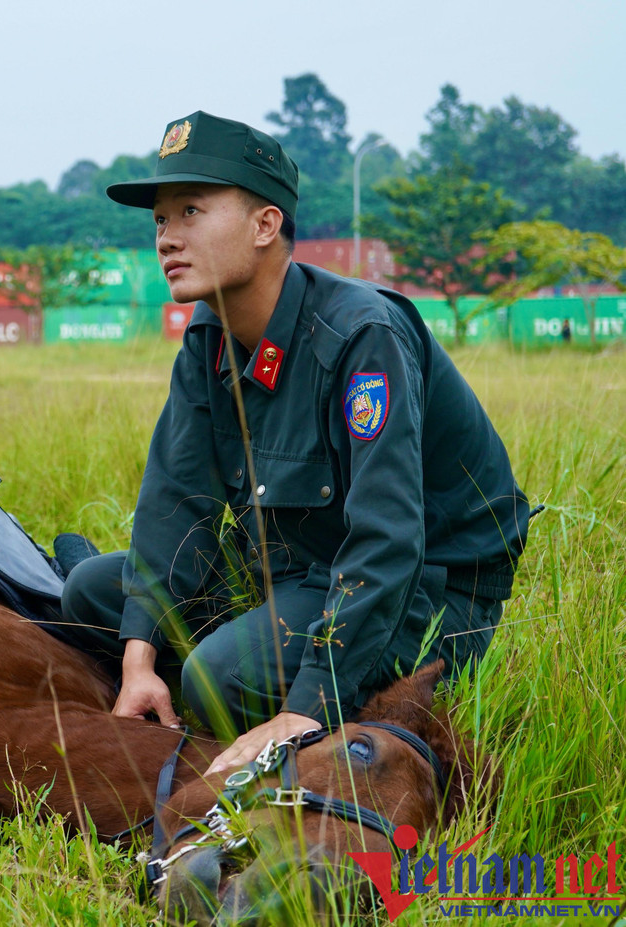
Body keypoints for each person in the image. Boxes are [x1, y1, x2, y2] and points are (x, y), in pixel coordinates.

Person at [57, 111, 530, 776]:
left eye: (191, 210)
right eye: (161, 219)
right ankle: (183, 686)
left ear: (265, 224)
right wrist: (137, 656)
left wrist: (310, 702)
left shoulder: (363, 337)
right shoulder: (209, 334)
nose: (167, 237)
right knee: (90, 593)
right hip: (294, 568)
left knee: (212, 679)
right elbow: (176, 500)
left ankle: (295, 713)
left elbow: (389, 539)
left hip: (426, 589)